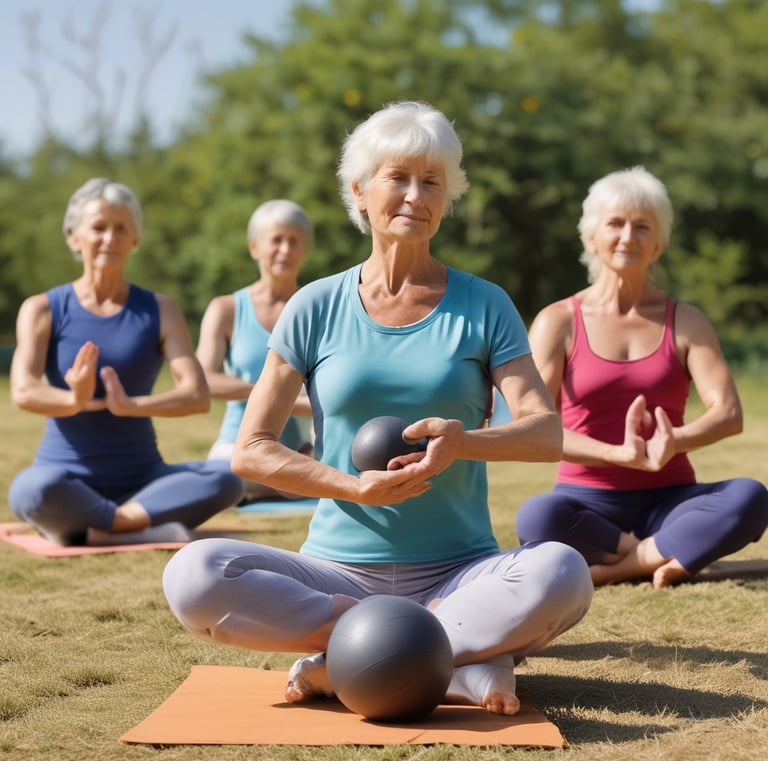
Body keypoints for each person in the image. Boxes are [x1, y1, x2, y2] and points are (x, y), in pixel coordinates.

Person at [163, 101, 593, 717]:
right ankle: (443, 659)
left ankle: (352, 663)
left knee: (563, 571)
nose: (416, 195)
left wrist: (461, 440)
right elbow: (251, 450)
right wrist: (351, 487)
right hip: (338, 575)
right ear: (361, 192)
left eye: (433, 182)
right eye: (399, 178)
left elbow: (545, 433)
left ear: (447, 199)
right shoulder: (313, 306)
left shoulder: (485, 304)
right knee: (194, 574)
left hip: (458, 574)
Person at [515, 166, 768, 589]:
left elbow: (728, 413)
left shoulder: (686, 321)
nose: (628, 236)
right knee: (537, 517)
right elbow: (532, 424)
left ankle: (621, 568)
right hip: (585, 502)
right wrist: (617, 454)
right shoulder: (557, 321)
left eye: (642, 226)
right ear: (590, 236)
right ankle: (663, 553)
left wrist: (674, 441)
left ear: (658, 243)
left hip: (671, 499)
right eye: (615, 223)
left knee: (751, 496)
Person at [8, 178, 243, 546]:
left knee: (229, 477)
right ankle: (134, 525)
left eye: (122, 229)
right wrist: (75, 399)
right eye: (99, 228)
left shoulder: (159, 309)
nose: (110, 238)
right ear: (73, 237)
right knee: (32, 490)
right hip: (66, 476)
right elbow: (23, 390)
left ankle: (104, 525)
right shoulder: (42, 309)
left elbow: (196, 395)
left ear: (135, 239)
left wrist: (131, 405)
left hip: (145, 480)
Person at [196, 199, 314, 501]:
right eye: (276, 240)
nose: (285, 250)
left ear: (305, 250)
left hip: (296, 452)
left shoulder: (317, 310)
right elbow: (202, 380)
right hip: (235, 448)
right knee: (224, 480)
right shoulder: (225, 309)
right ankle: (264, 487)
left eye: (294, 242)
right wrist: (271, 393)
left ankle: (274, 486)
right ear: (255, 248)